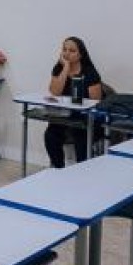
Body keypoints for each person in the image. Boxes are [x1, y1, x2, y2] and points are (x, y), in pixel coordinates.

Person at [44, 36, 103, 168]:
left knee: (80, 137)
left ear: (80, 54)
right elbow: (55, 92)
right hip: (64, 116)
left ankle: (81, 172)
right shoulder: (58, 68)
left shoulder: (90, 72)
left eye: (72, 50)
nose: (67, 53)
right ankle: (58, 169)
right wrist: (65, 68)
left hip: (85, 118)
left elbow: (96, 101)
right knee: (50, 135)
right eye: (64, 49)